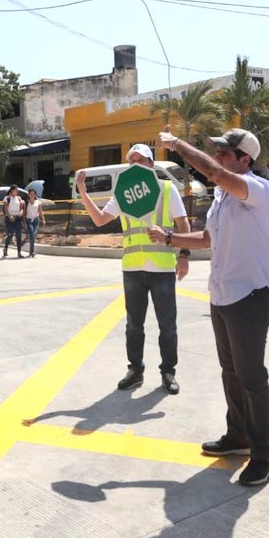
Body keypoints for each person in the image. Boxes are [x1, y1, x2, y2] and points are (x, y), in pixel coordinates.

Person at [155, 128, 269, 486]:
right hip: (222, 294)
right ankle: (237, 437)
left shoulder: (256, 189)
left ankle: (264, 455)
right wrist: (168, 238)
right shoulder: (222, 197)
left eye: (226, 153)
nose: (220, 158)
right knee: (230, 371)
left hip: (249, 296)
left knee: (252, 377)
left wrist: (177, 145)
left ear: (245, 160)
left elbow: (216, 174)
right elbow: (208, 238)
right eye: (218, 152)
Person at [76, 142, 190, 395]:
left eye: (141, 159)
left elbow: (183, 225)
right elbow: (100, 219)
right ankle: (135, 369)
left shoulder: (167, 189)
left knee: (167, 325)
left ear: (151, 164)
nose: (135, 164)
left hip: (161, 270)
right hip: (133, 269)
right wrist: (83, 191)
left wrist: (184, 255)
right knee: (133, 325)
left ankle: (168, 372)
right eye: (132, 160)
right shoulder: (123, 193)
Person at [1, 184, 25, 258]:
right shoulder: (7, 198)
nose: (17, 191)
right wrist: (9, 216)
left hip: (17, 218)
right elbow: (5, 208)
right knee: (10, 234)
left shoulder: (19, 198)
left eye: (17, 190)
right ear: (12, 190)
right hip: (9, 218)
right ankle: (5, 249)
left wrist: (21, 212)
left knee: (18, 235)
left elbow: (21, 207)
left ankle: (19, 252)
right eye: (15, 190)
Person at [24, 188, 45, 258]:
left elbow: (40, 211)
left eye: (33, 194)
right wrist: (24, 222)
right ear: (28, 194)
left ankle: (31, 251)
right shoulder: (26, 202)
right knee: (32, 234)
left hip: (36, 220)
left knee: (33, 235)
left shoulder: (38, 202)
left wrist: (43, 219)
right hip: (29, 220)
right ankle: (32, 251)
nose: (32, 195)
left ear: (35, 195)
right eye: (31, 194)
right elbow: (24, 213)